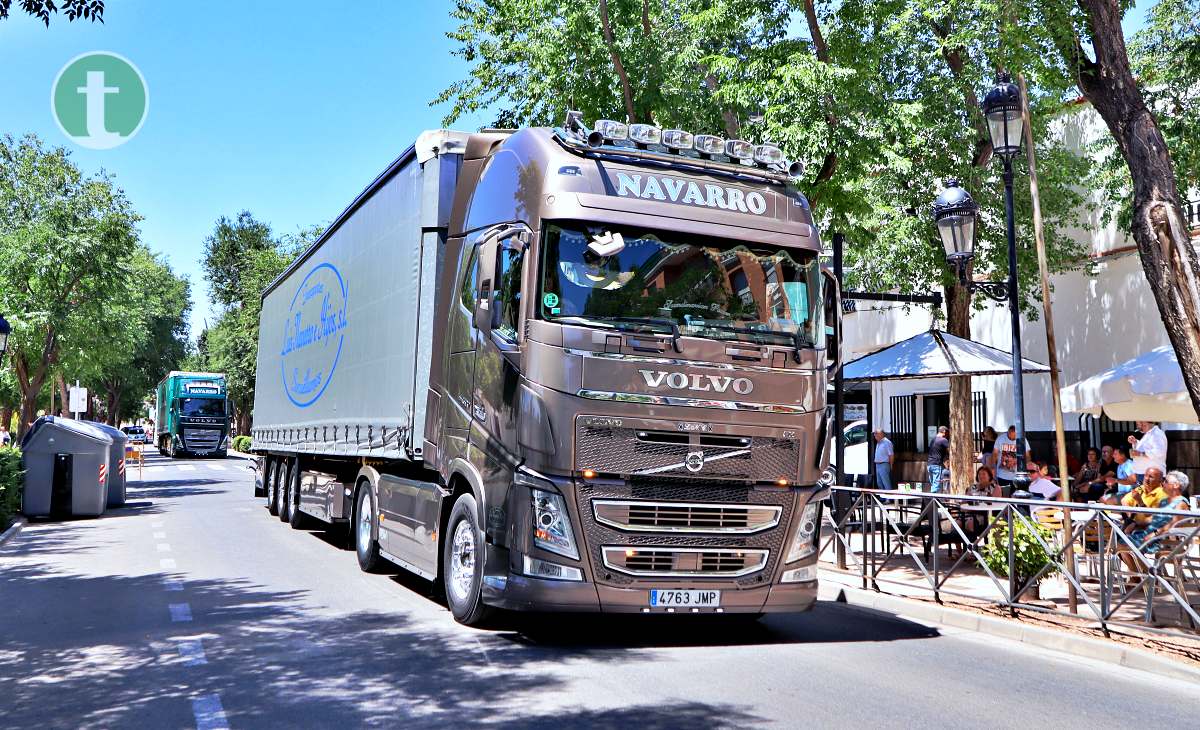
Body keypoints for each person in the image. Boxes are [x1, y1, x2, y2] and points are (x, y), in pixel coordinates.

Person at [1118, 470, 1190, 576]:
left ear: (1176, 485)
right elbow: (1152, 519)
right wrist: (1135, 523)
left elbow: (1174, 524)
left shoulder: (1181, 503)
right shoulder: (1165, 501)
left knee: (1123, 546)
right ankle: (1142, 577)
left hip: (1161, 540)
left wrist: (1155, 533)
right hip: (1148, 535)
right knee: (1120, 544)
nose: (1162, 483)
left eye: (1166, 481)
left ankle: (1148, 577)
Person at [927, 426, 949, 492]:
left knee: (933, 485)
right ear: (944, 432)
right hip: (936, 465)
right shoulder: (944, 440)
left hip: (929, 465)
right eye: (947, 433)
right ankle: (934, 501)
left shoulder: (933, 440)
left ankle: (934, 500)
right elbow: (950, 451)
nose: (948, 435)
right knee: (936, 486)